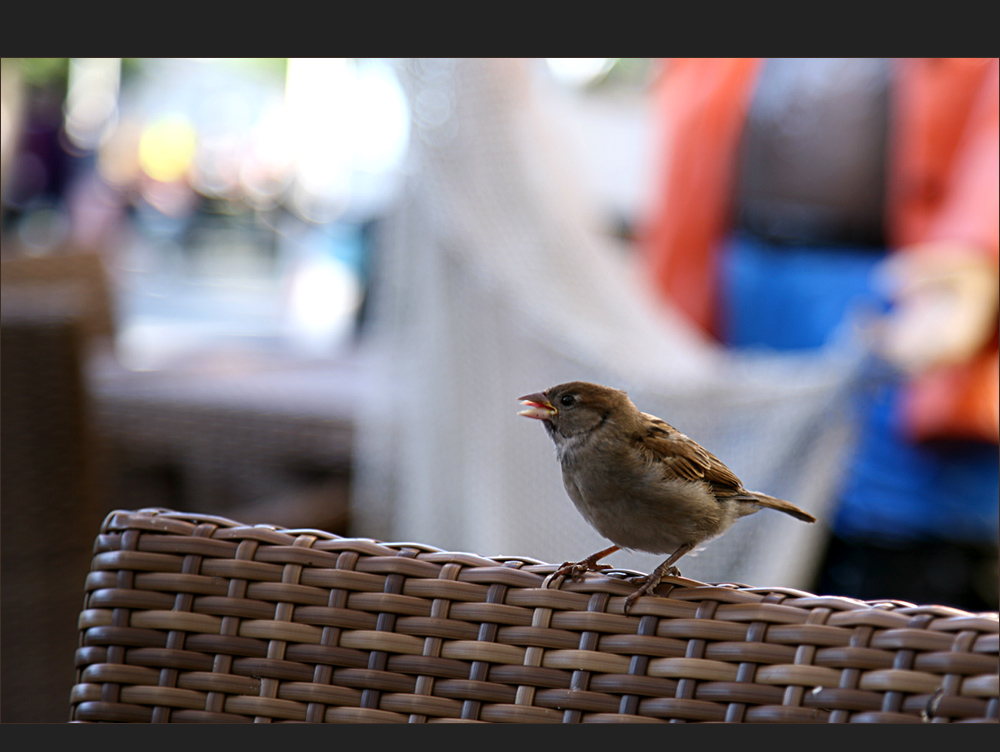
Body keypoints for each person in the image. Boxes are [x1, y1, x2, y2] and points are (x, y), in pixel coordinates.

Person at [639, 58, 999, 611]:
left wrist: (978, 256)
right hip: (742, 297)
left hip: (899, 300)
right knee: (739, 526)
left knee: (901, 564)